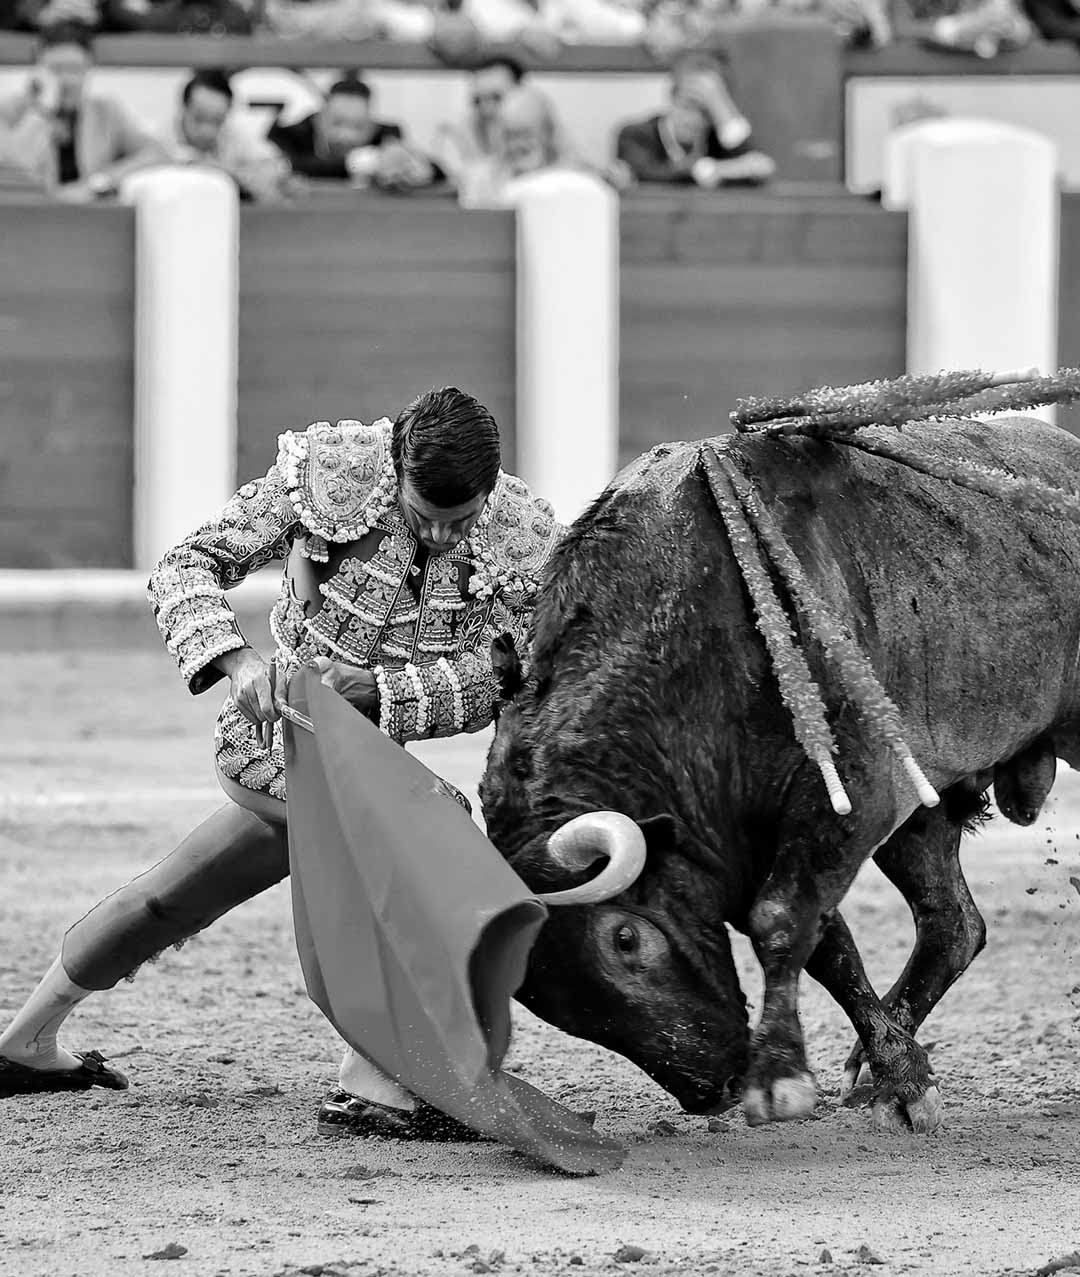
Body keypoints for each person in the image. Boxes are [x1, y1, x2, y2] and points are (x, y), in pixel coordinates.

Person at [0, 388, 565, 1141]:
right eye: (424, 509)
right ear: (396, 467)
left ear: (490, 492)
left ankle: (24, 1043)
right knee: (436, 842)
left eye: (459, 520)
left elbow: (517, 670)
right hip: (278, 738)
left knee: (180, 892)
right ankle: (374, 1080)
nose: (437, 531)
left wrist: (386, 689)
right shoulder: (330, 475)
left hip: (368, 756)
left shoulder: (524, 539)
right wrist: (237, 662)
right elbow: (185, 564)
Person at [0, 23, 163, 198]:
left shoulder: (106, 112)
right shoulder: (10, 112)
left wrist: (98, 183)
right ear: (37, 69)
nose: (66, 81)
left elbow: (156, 154)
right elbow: (17, 171)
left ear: (88, 68)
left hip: (90, 216)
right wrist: (41, 112)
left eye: (74, 69)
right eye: (56, 69)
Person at [615, 52, 775, 189]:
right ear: (673, 97)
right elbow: (645, 173)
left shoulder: (716, 140)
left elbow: (759, 166)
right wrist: (709, 170)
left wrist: (720, 104)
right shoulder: (636, 135)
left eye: (705, 112)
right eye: (688, 106)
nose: (694, 119)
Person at [267, 73, 441, 191]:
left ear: (372, 124)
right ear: (319, 118)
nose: (345, 135)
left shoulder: (386, 135)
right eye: (337, 123)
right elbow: (290, 166)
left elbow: (437, 171)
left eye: (358, 126)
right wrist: (354, 164)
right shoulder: (290, 134)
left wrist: (417, 168)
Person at [153, 69, 288, 203]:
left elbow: (277, 165)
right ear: (184, 108)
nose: (207, 131)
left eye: (217, 121)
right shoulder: (156, 140)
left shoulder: (233, 134)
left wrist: (238, 175)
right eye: (199, 119)